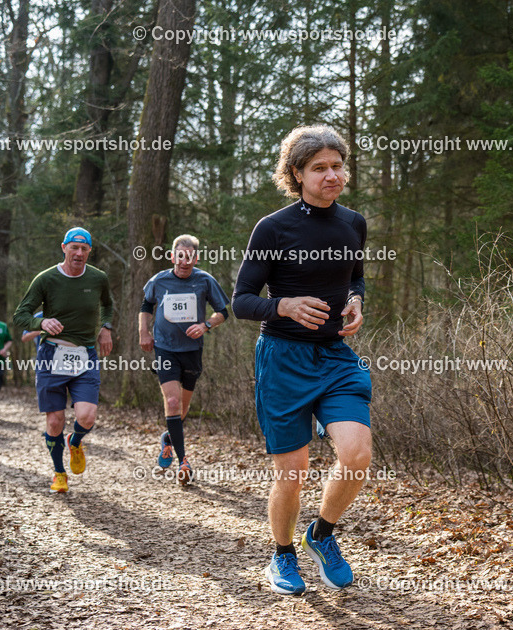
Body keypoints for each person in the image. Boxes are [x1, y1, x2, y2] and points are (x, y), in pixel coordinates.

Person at [233, 125, 371, 595]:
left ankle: (323, 534)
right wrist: (285, 305)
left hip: (335, 356)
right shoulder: (273, 228)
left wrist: (356, 300)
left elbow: (357, 277)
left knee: (356, 454)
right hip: (283, 358)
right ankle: (282, 555)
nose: (332, 175)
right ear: (297, 173)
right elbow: (242, 300)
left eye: (337, 166)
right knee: (291, 473)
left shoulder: (353, 223)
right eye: (320, 168)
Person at [13, 228, 113, 493]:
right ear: (64, 247)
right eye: (74, 247)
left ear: (89, 251)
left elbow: (108, 305)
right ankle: (59, 473)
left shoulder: (98, 278)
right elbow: (20, 314)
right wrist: (41, 321)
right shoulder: (45, 279)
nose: (79, 253)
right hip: (51, 356)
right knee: (54, 421)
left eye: (84, 249)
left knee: (87, 416)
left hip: (85, 355)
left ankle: (76, 441)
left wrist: (106, 327)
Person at [139, 234, 230, 486]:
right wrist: (143, 333)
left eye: (189, 257)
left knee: (183, 408)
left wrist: (206, 325)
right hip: (164, 348)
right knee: (172, 401)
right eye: (180, 256)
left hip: (191, 350)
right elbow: (146, 305)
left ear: (195, 258)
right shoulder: (159, 280)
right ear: (172, 256)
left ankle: (168, 440)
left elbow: (223, 311)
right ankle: (184, 462)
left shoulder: (204, 280)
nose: (184, 261)